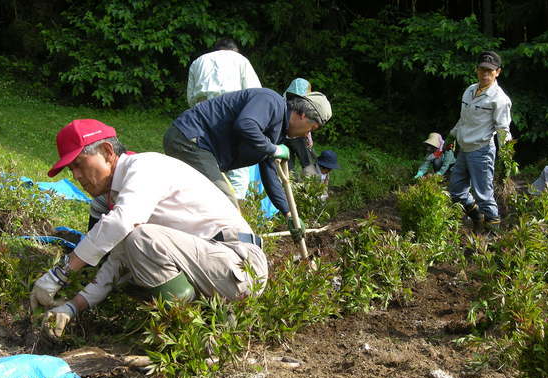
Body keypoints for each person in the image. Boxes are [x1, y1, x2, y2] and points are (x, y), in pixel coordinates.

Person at [31, 119, 268, 340]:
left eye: (79, 164)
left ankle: (193, 337)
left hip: (239, 264)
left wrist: (59, 274)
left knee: (141, 240)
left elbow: (123, 224)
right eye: (71, 170)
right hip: (217, 265)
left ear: (107, 151)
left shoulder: (144, 168)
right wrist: (72, 307)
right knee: (130, 264)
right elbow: (116, 263)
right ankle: (205, 328)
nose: (76, 176)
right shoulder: (124, 196)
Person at [163, 88, 332, 242]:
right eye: (311, 128)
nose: (307, 134)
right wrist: (272, 149)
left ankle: (175, 242)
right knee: (225, 204)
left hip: (199, 147)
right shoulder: (270, 102)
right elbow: (245, 124)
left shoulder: (279, 131)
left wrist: (288, 213)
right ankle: (229, 261)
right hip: (191, 139)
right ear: (302, 115)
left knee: (194, 203)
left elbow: (270, 174)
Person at [186, 38, 262, 202]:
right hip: (231, 114)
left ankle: (206, 206)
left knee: (205, 162)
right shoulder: (240, 60)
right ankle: (238, 210)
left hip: (201, 115)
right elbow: (256, 94)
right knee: (237, 167)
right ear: (234, 51)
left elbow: (190, 98)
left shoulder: (198, 62)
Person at [448, 51, 512, 230]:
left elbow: (503, 129)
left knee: (484, 195)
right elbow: (463, 118)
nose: (485, 74)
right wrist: (452, 136)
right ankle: (477, 217)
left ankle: (492, 238)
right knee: (456, 190)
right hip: (464, 148)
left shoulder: (499, 99)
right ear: (476, 70)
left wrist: (507, 155)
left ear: (497, 72)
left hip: (482, 150)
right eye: (482, 70)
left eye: (490, 71)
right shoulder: (469, 90)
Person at [282, 78, 318, 177]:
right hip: (292, 136)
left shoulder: (285, 99)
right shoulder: (301, 102)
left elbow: (304, 121)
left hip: (290, 135)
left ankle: (295, 183)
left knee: (292, 160)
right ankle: (297, 184)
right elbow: (305, 121)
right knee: (298, 161)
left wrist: (308, 136)